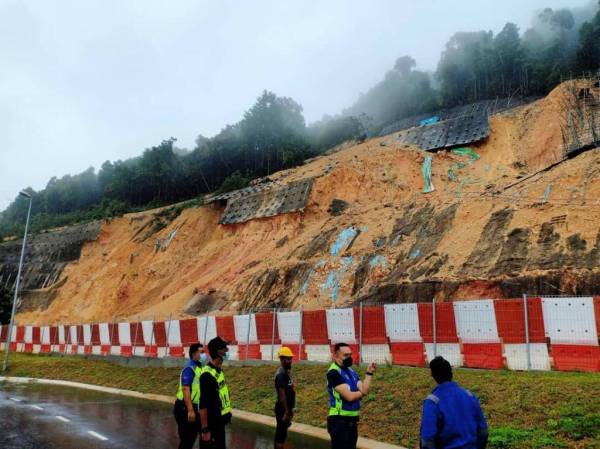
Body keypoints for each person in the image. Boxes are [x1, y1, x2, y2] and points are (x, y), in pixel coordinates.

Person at [420, 356, 488, 449]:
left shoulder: (433, 401)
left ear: (433, 375)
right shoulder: (470, 396)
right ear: (451, 373)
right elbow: (483, 431)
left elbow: (427, 441)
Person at [326, 343, 376, 449]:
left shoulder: (351, 371)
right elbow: (349, 397)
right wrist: (361, 394)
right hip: (339, 421)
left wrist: (369, 373)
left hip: (352, 421)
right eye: (345, 355)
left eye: (350, 355)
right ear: (336, 356)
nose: (349, 358)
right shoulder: (333, 373)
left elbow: (364, 389)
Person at [200, 336, 232, 449]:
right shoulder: (207, 375)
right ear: (218, 352)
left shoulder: (218, 370)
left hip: (219, 423)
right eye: (224, 349)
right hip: (211, 425)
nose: (226, 351)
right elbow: (203, 404)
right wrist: (205, 429)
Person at [173, 343, 206, 449]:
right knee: (187, 440)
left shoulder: (199, 368)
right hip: (185, 407)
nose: (203, 354)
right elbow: (185, 388)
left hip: (194, 406)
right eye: (201, 352)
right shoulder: (189, 368)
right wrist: (190, 410)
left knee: (192, 438)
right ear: (194, 354)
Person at [274, 346, 296, 449]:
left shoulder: (287, 372)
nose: (290, 361)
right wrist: (287, 411)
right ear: (282, 359)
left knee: (283, 432)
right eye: (287, 359)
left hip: (287, 408)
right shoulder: (281, 374)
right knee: (281, 433)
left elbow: (290, 389)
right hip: (282, 408)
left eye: (291, 358)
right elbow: (282, 395)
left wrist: (291, 409)